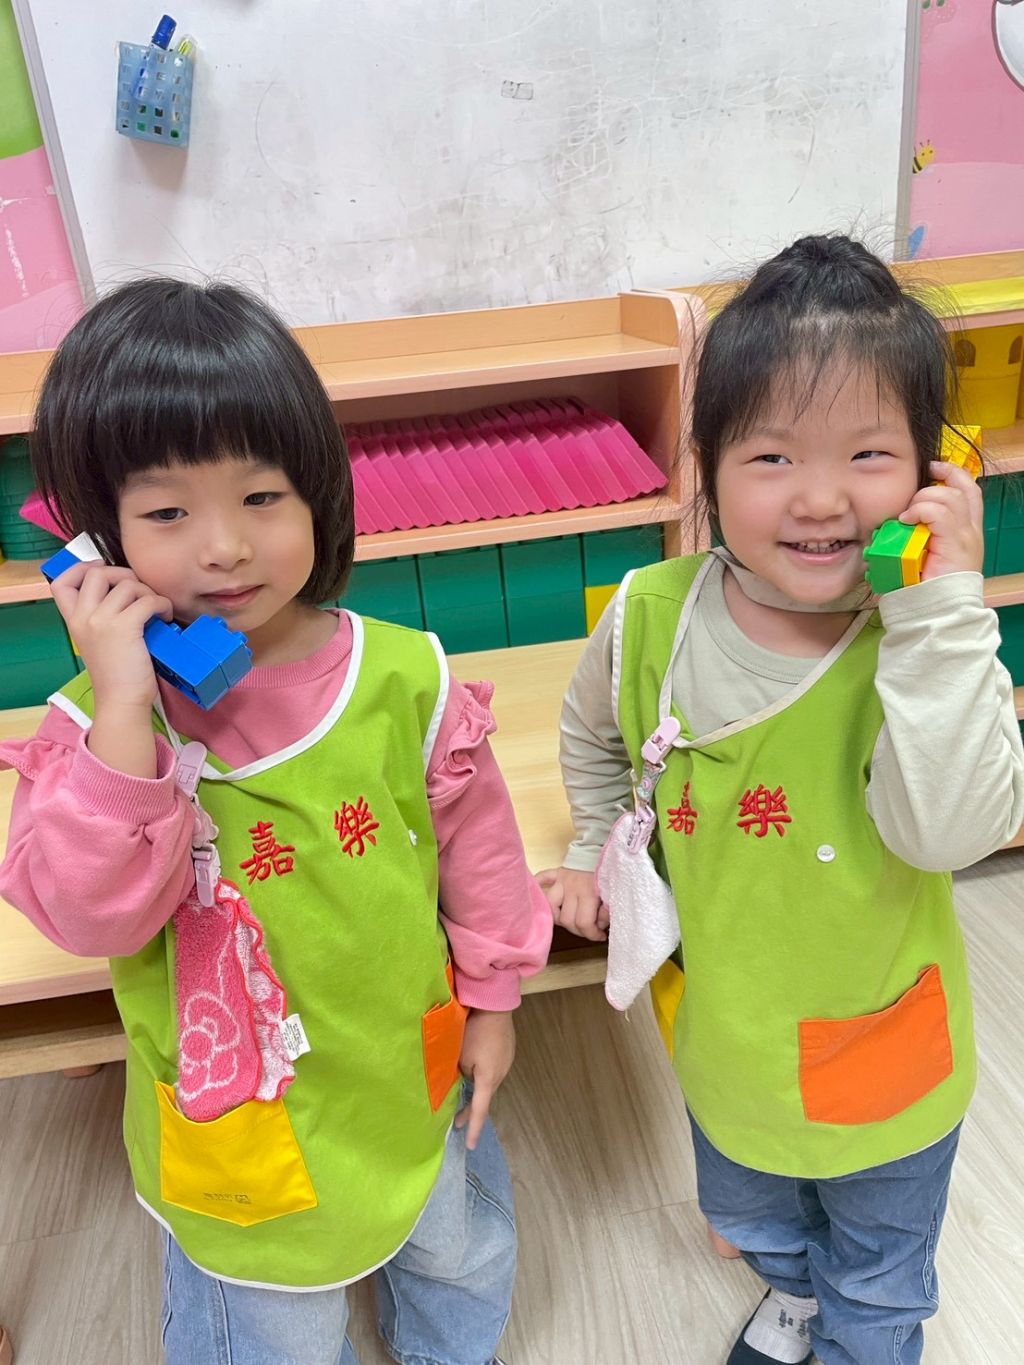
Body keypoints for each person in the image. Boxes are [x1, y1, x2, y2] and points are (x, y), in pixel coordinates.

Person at [0, 279, 552, 1365]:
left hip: (404, 1073)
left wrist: (493, 1000)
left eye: (262, 495)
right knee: (273, 1325)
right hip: (241, 1122)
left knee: (457, 1248)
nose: (225, 548)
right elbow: (92, 916)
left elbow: (481, 855)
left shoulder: (404, 678)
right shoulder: (96, 733)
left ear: (318, 494)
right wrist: (126, 709)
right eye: (167, 513)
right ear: (96, 542)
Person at [544, 234, 1024, 1365]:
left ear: (930, 472)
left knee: (880, 1278)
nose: (819, 498)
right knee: (752, 1217)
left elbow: (952, 832)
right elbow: (592, 732)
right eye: (770, 456)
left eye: (868, 453)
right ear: (707, 465)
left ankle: (856, 1334)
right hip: (729, 1039)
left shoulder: (927, 643)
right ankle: (793, 1293)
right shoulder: (649, 612)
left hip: (886, 1046)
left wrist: (943, 609)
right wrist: (590, 842)